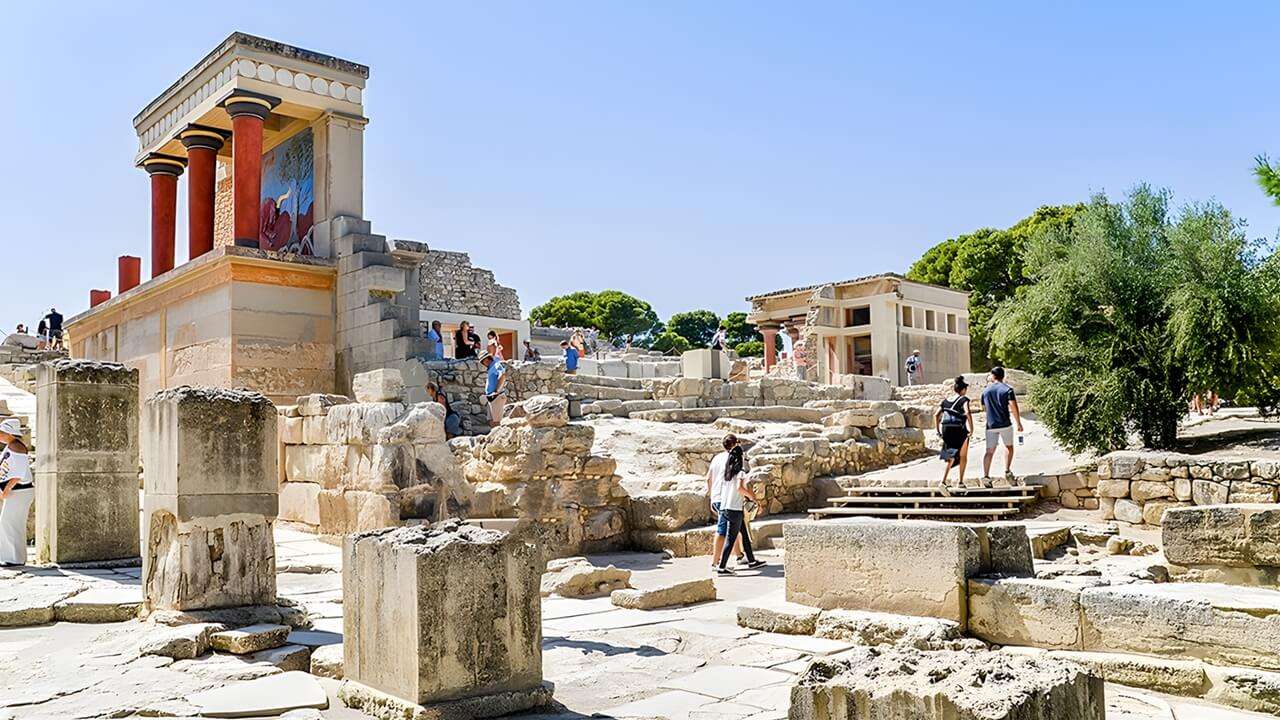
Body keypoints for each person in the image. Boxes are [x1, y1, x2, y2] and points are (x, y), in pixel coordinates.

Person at [716, 444, 766, 575]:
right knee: (731, 539)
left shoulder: (726, 474)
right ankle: (721, 567)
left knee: (744, 533)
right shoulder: (740, 473)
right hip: (734, 509)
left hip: (725, 508)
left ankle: (751, 560)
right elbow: (740, 488)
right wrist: (753, 499)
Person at [706, 434, 744, 571]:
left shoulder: (716, 457)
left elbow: (708, 478)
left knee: (733, 529)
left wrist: (711, 497)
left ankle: (740, 555)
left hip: (716, 498)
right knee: (722, 530)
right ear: (735, 444)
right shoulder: (732, 458)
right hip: (725, 499)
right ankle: (716, 563)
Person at [981, 366, 1024, 485]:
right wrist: (1018, 423)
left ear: (993, 376)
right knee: (1009, 447)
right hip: (1005, 423)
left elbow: (984, 408)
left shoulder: (985, 391)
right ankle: (1007, 471)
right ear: (1003, 376)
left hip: (991, 425)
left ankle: (986, 476)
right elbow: (1013, 406)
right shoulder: (1008, 389)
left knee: (989, 451)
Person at [0, 419, 33, 567]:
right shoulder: (10, 446)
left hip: (19, 491)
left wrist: (7, 489)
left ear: (9, 433)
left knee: (10, 524)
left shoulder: (17, 448)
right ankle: (12, 557)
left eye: (1, 432)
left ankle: (14, 559)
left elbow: (19, 474)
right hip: (16, 491)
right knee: (8, 523)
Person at [934, 376, 974, 492]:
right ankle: (959, 482)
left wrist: (938, 431)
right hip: (959, 429)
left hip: (946, 429)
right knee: (963, 456)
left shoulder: (945, 401)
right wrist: (971, 428)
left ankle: (944, 481)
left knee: (950, 454)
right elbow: (967, 412)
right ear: (963, 390)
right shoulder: (964, 399)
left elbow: (936, 415)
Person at [481, 352, 507, 428]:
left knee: (497, 423)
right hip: (491, 398)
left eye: (483, 361)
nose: (483, 363)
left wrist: (497, 391)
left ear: (487, 359)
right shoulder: (491, 368)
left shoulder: (496, 365)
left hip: (497, 397)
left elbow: (503, 375)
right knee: (491, 421)